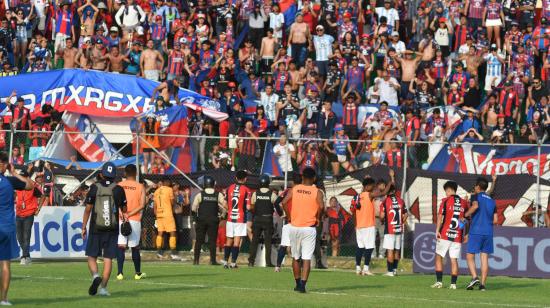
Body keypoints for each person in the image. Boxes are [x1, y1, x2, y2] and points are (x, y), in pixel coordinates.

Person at [82, 162, 127, 296]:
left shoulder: (94, 188)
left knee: (91, 256)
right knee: (108, 259)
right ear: (114, 176)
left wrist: (83, 226)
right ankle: (103, 289)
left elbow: (88, 209)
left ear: (101, 174)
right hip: (112, 229)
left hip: (96, 227)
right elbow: (124, 209)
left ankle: (96, 276)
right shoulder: (118, 189)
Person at [282, 167, 324, 293]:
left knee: (296, 257)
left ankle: (297, 283)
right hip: (309, 228)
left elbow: (284, 202)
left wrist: (289, 216)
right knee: (306, 258)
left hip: (294, 227)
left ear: (302, 177)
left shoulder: (295, 189)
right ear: (314, 178)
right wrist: (318, 218)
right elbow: (321, 206)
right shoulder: (317, 191)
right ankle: (302, 285)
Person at [0, 152, 33, 306]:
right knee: (5, 264)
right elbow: (30, 185)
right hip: (6, 227)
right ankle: (4, 299)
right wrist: (13, 172)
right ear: (6, 164)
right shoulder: (10, 181)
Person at [351, 175, 392, 276]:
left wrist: (355, 224)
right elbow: (384, 192)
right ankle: (365, 269)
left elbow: (353, 212)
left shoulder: (356, 197)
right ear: (367, 186)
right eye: (372, 186)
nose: (373, 188)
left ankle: (357, 268)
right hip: (368, 225)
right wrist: (391, 180)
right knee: (369, 247)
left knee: (360, 247)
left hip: (359, 226)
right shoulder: (369, 195)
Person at [431, 181, 469, 290]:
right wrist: (464, 233)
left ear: (448, 190)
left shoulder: (446, 201)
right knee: (454, 259)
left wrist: (437, 230)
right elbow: (466, 219)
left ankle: (439, 282)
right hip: (457, 236)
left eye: (446, 191)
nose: (446, 193)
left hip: (445, 234)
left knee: (439, 257)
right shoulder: (464, 202)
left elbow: (440, 217)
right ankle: (453, 284)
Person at [464, 177, 497, 291]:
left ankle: (474, 277)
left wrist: (465, 215)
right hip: (488, 232)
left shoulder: (475, 196)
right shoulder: (492, 201)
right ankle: (482, 285)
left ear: (478, 187)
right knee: (484, 258)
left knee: (469, 255)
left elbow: (475, 206)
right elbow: (496, 220)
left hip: (476, 231)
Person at [116, 164, 146, 280]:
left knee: (121, 246)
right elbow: (142, 205)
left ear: (124, 174)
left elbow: (115, 202)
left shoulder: (119, 185)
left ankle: (119, 273)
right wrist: (130, 214)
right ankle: (137, 273)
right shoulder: (140, 186)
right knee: (134, 247)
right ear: (136, 173)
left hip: (121, 219)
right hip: (134, 220)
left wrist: (122, 213)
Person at [191, 176, 227, 265]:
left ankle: (196, 260)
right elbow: (225, 207)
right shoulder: (218, 194)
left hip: (201, 220)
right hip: (213, 220)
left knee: (199, 241)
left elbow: (193, 208)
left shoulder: (200, 194)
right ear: (213, 184)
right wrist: (222, 217)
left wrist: (195, 219)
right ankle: (213, 261)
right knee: (212, 241)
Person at [223, 170, 253, 268]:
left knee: (228, 241)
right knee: (236, 242)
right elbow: (248, 207)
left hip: (230, 218)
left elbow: (224, 204)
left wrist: (230, 210)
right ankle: (233, 263)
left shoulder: (229, 188)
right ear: (245, 179)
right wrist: (253, 207)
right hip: (240, 219)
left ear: (236, 178)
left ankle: (225, 262)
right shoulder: (247, 190)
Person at [15, 169, 44, 266]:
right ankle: (27, 255)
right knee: (19, 237)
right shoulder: (18, 186)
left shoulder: (32, 187)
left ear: (27, 177)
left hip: (29, 214)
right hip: (19, 213)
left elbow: (43, 196)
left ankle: (24, 257)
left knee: (26, 236)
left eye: (23, 177)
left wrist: (38, 209)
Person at [248, 174, 278, 267]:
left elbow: (252, 207)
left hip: (257, 218)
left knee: (254, 241)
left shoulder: (255, 193)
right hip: (268, 219)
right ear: (268, 183)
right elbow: (277, 205)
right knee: (268, 241)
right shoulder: (272, 194)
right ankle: (268, 262)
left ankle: (251, 261)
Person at [379, 178, 406, 277]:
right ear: (394, 191)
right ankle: (394, 270)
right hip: (399, 229)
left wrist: (382, 221)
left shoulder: (385, 201)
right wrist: (401, 222)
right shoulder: (401, 201)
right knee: (397, 250)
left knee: (390, 250)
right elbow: (405, 214)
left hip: (390, 229)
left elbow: (381, 216)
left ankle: (390, 271)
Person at [153, 179, 181, 260]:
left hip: (159, 213)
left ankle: (159, 252)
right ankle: (173, 253)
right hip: (167, 213)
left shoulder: (157, 191)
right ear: (167, 182)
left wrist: (156, 213)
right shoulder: (169, 189)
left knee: (160, 232)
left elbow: (155, 205)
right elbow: (172, 202)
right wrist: (174, 199)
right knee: (172, 232)